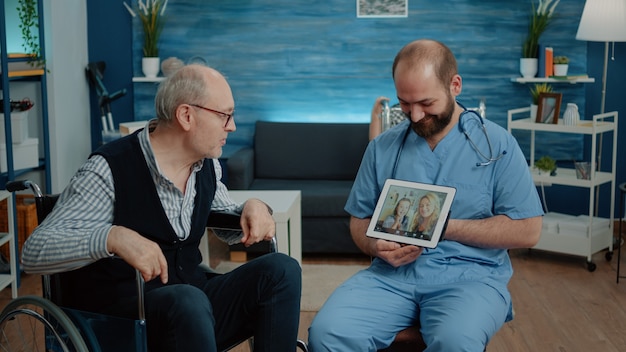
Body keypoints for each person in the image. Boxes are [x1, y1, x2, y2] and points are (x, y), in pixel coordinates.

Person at [21, 64, 302, 352]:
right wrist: (112, 237)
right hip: (126, 322)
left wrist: (252, 206)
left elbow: (223, 216)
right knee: (188, 301)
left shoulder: (205, 165)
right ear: (186, 115)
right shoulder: (108, 170)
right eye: (224, 115)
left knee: (281, 270)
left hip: (192, 312)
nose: (231, 126)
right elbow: (33, 252)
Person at [308, 39, 543, 351]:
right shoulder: (382, 148)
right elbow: (359, 220)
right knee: (327, 333)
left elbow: (529, 230)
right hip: (390, 278)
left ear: (454, 85)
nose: (415, 116)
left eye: (426, 104)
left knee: (455, 341)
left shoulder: (498, 146)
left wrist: (444, 227)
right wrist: (374, 245)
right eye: (405, 104)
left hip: (469, 279)